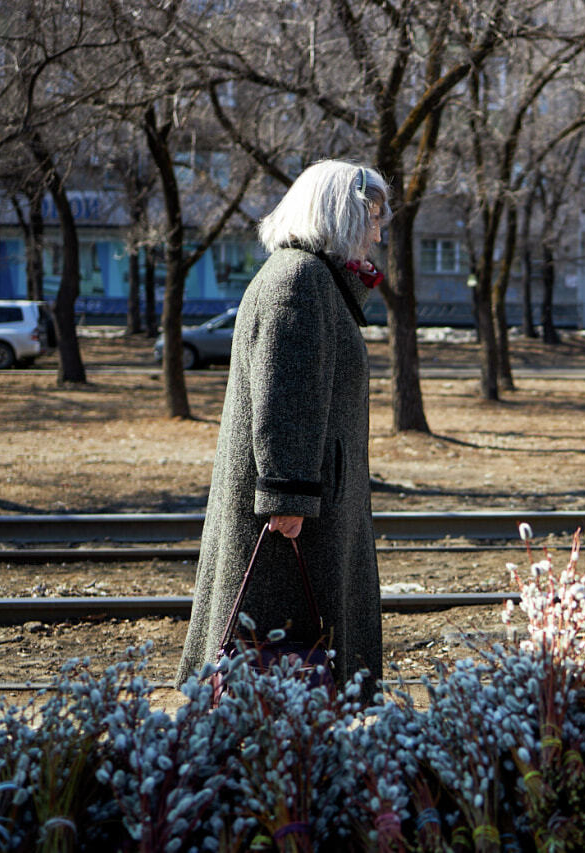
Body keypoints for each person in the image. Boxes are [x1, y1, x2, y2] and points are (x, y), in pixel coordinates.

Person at [177, 160, 388, 696]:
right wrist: (286, 498)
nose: (379, 232)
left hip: (314, 507)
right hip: (298, 523)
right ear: (341, 214)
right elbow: (284, 394)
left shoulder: (312, 280)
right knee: (283, 657)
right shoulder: (300, 281)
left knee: (288, 661)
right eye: (373, 217)